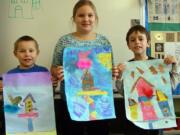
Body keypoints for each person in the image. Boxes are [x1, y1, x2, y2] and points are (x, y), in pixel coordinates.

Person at [51, 1, 115, 135]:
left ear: (95, 18)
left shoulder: (104, 42)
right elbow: (54, 67)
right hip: (71, 101)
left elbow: (108, 70)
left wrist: (113, 72)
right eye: (81, 15)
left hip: (98, 103)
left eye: (90, 15)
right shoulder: (64, 41)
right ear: (74, 18)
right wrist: (57, 72)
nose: (86, 19)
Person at [113, 25, 179, 135]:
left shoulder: (160, 65)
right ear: (128, 45)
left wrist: (175, 65)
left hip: (157, 119)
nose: (137, 42)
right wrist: (119, 77)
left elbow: (171, 86)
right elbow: (125, 93)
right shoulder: (126, 67)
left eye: (141, 39)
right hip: (136, 120)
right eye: (133, 40)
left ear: (148, 43)